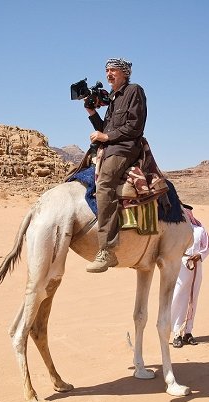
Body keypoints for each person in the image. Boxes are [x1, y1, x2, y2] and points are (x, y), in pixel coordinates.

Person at [84, 57, 147, 273]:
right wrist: (92, 113)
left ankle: (107, 250)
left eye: (113, 70)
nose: (109, 74)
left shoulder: (134, 91)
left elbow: (134, 127)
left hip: (125, 148)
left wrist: (106, 136)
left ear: (124, 73)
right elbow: (104, 128)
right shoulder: (112, 99)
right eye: (107, 70)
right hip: (109, 147)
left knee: (104, 185)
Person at [171, 205, 209, 348]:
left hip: (197, 266)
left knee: (193, 298)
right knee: (178, 297)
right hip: (181, 265)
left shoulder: (200, 230)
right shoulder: (177, 230)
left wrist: (200, 255)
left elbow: (208, 246)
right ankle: (176, 333)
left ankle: (188, 332)